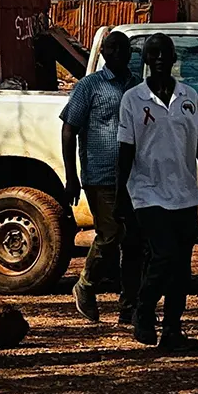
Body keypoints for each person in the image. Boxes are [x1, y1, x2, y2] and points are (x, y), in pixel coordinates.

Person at [117, 34, 198, 351]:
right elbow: (125, 152)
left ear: (174, 59)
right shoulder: (133, 99)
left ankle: (172, 329)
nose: (158, 58)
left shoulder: (188, 97)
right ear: (144, 59)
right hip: (147, 192)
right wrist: (121, 197)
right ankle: (143, 309)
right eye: (152, 53)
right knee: (163, 255)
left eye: (164, 53)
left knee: (182, 268)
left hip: (185, 194)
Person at [61, 30, 136, 324]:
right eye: (113, 48)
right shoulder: (89, 86)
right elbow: (69, 129)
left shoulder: (137, 87)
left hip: (132, 177)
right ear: (104, 53)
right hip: (99, 175)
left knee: (133, 243)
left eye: (124, 48)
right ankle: (85, 285)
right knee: (111, 233)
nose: (118, 53)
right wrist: (71, 176)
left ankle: (129, 308)